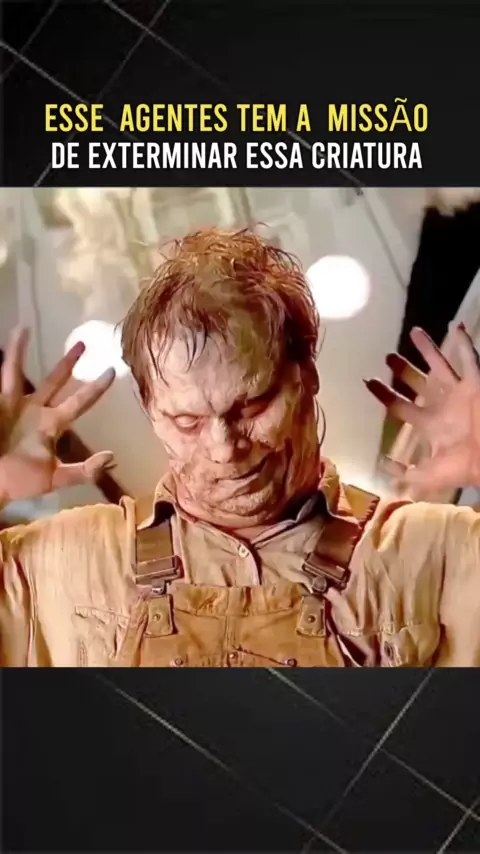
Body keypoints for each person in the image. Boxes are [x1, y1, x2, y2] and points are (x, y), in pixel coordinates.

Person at [1, 227, 480, 668]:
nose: (225, 448)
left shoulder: (431, 551)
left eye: (252, 406)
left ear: (306, 376)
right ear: (150, 413)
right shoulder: (69, 561)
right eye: (187, 421)